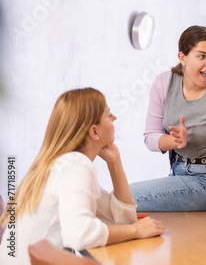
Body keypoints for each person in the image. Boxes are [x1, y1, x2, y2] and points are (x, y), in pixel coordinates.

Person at [0, 88, 165, 264]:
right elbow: (80, 234)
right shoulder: (75, 166)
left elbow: (122, 221)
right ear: (94, 132)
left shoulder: (63, 164)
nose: (115, 118)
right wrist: (136, 231)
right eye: (109, 115)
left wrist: (115, 163)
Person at [130, 25, 206, 211]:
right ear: (183, 58)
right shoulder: (163, 83)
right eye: (202, 56)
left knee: (125, 198)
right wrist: (174, 140)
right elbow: (150, 138)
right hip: (179, 172)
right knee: (125, 200)